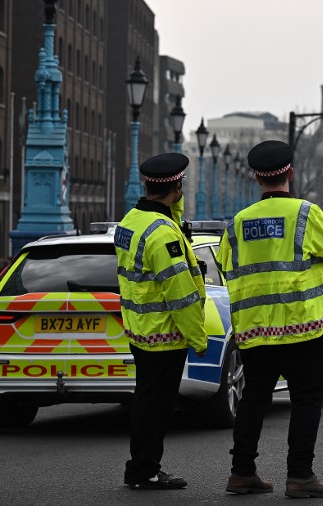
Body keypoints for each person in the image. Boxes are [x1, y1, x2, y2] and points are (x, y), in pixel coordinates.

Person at [218, 140, 323, 499]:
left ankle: (242, 472)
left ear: (257, 178)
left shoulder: (238, 222)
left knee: (253, 398)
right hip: (300, 324)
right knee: (306, 398)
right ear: (290, 173)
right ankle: (300, 475)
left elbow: (226, 264)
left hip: (254, 327)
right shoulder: (306, 214)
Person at [114, 152, 208, 491]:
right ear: (177, 185)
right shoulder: (163, 235)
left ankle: (141, 467)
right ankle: (144, 470)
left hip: (140, 329)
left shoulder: (131, 221)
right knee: (156, 406)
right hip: (165, 334)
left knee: (145, 399)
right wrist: (198, 338)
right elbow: (180, 295)